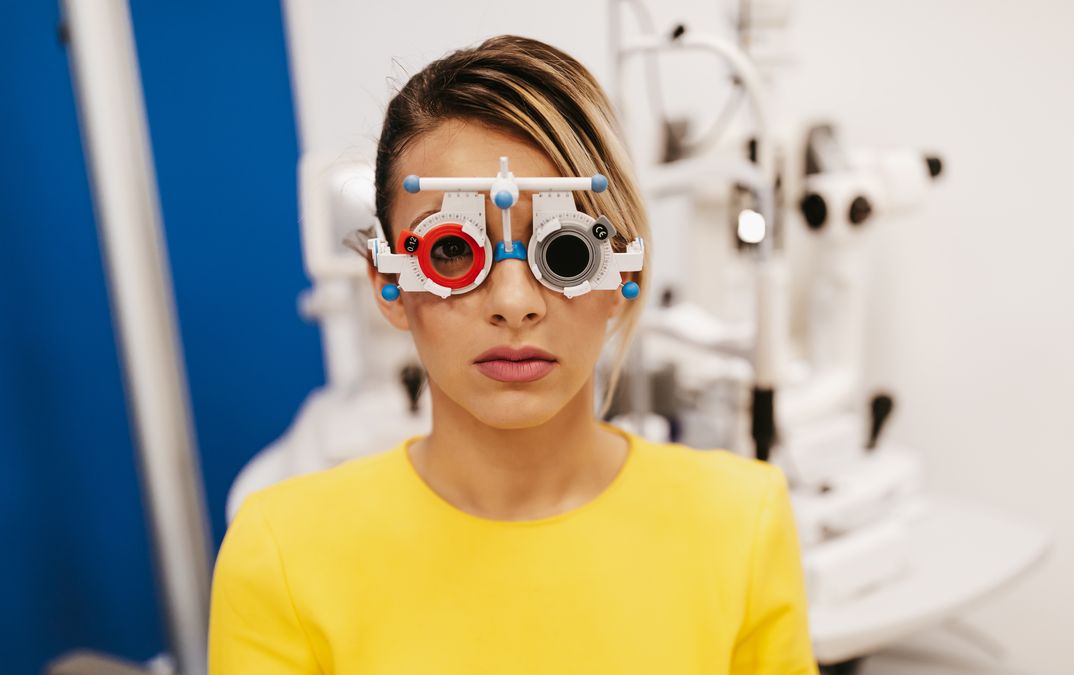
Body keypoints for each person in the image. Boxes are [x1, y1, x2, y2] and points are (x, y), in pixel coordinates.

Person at [208, 34, 818, 674]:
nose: (514, 302)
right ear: (388, 283)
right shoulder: (282, 554)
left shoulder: (742, 521)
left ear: (621, 274)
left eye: (566, 251)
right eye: (452, 250)